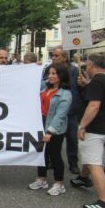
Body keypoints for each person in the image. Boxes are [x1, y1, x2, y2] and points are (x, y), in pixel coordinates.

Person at [70, 54, 105, 208]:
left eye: (86, 66)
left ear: (91, 65)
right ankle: (83, 178)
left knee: (94, 164)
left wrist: (82, 126)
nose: (85, 69)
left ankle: (104, 202)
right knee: (95, 159)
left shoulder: (96, 83)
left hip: (95, 129)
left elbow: (94, 106)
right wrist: (87, 85)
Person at [29, 64, 71, 195]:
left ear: (61, 76)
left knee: (55, 155)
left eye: (54, 74)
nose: (51, 76)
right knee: (41, 154)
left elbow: (60, 115)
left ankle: (59, 183)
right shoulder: (45, 87)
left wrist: (50, 132)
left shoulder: (65, 94)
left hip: (54, 128)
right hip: (40, 124)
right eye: (50, 73)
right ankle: (41, 179)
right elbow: (31, 83)